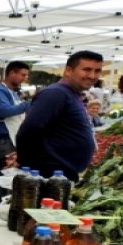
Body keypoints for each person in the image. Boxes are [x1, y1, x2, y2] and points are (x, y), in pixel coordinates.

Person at [16, 50, 102, 181]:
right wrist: (25, 164)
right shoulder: (56, 93)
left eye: (97, 71)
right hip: (50, 175)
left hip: (61, 174)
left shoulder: (71, 94)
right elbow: (29, 130)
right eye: (87, 69)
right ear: (68, 70)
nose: (92, 75)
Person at [0, 61, 30, 211]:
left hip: (9, 136)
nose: (25, 78)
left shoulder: (12, 92)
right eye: (23, 74)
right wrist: (28, 104)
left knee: (1, 171)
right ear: (11, 73)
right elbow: (4, 111)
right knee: (5, 172)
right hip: (3, 137)